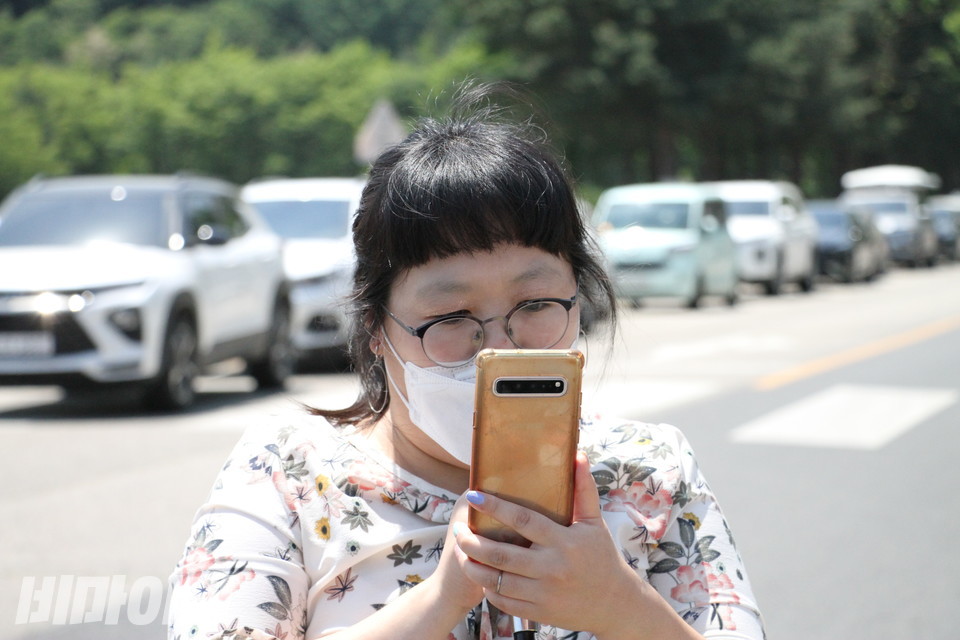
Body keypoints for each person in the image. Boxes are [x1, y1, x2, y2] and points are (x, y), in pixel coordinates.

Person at [168, 82, 765, 640]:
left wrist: (618, 604)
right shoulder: (289, 473)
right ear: (376, 327)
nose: (500, 346)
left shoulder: (653, 471)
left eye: (534, 303)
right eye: (451, 317)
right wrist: (443, 597)